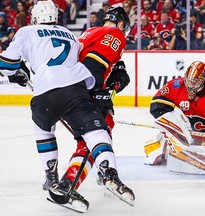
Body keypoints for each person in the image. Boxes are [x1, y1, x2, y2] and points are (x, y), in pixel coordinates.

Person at [0, 0, 134, 212]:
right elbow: (93, 64)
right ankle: (89, 179)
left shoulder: (86, 33)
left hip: (44, 95)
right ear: (121, 23)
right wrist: (98, 89)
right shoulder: (99, 34)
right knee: (96, 135)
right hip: (78, 91)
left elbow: (9, 64)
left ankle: (53, 178)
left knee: (46, 132)